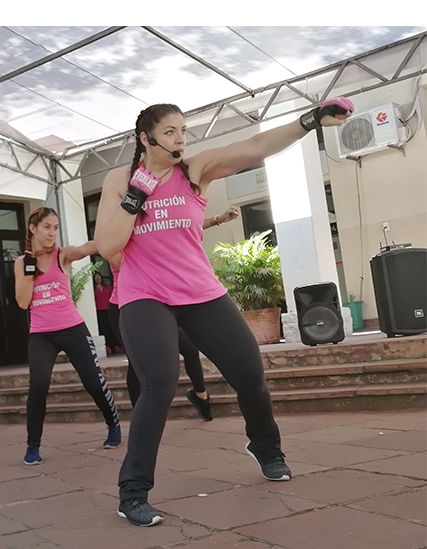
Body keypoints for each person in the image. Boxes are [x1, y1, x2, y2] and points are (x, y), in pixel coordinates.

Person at [94, 99, 354, 527]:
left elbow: (255, 146)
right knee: (158, 382)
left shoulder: (193, 171)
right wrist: (136, 196)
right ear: (146, 137)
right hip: (144, 294)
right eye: (171, 131)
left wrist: (309, 122)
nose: (180, 139)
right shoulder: (119, 180)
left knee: (250, 372)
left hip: (200, 291)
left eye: (183, 131)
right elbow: (108, 247)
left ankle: (265, 447)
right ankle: (133, 491)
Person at [108, 207, 241, 421]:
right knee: (138, 361)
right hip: (126, 305)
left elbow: (181, 224)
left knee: (189, 348)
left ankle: (201, 396)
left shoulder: (149, 226)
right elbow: (121, 263)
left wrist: (218, 219)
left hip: (164, 300)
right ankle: (141, 418)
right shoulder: (116, 238)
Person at [14, 208, 121, 466]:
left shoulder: (62, 255)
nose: (52, 233)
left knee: (93, 383)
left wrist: (119, 234)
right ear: (33, 228)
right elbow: (22, 302)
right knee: (38, 384)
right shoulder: (21, 262)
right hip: (41, 333)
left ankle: (113, 423)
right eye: (47, 227)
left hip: (72, 328)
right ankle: (33, 445)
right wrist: (30, 270)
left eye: (55, 227)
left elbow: (88, 247)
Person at [93, 272, 119, 355]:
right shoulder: (93, 290)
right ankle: (107, 346)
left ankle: (115, 345)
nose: (98, 279)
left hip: (109, 309)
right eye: (96, 278)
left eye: (99, 277)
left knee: (112, 327)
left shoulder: (108, 288)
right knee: (104, 328)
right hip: (100, 311)